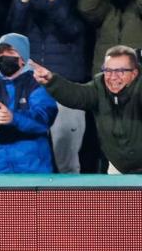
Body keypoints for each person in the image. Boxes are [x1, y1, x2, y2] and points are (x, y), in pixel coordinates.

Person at [8, 0, 88, 173]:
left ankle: (72, 209)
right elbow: (13, 33)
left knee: (67, 161)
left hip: (66, 83)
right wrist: (23, 0)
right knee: (30, 156)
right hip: (32, 84)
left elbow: (72, 30)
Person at [34, 45, 142, 174]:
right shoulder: (99, 86)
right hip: (119, 168)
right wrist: (51, 81)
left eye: (120, 71)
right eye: (108, 70)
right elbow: (77, 95)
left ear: (134, 73)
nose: (113, 77)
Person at [0, 33, 58, 174]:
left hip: (33, 171)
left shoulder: (36, 83)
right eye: (1, 53)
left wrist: (13, 118)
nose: (4, 57)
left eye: (11, 52)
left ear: (23, 59)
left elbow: (44, 118)